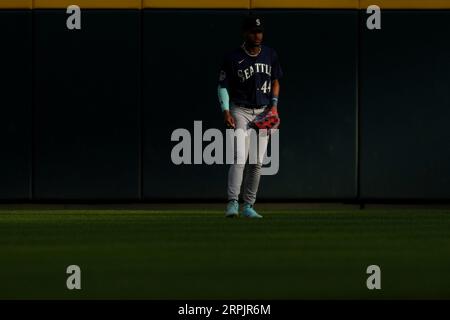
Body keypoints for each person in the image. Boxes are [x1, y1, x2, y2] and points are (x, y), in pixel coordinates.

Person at [217, 15, 283, 218]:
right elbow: (222, 85)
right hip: (241, 111)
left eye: (260, 31)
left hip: (263, 111)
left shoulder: (270, 54)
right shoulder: (232, 57)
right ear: (244, 33)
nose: (257, 35)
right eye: (253, 31)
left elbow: (276, 81)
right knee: (239, 157)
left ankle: (248, 206)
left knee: (256, 162)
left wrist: (274, 106)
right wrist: (226, 110)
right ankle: (232, 203)